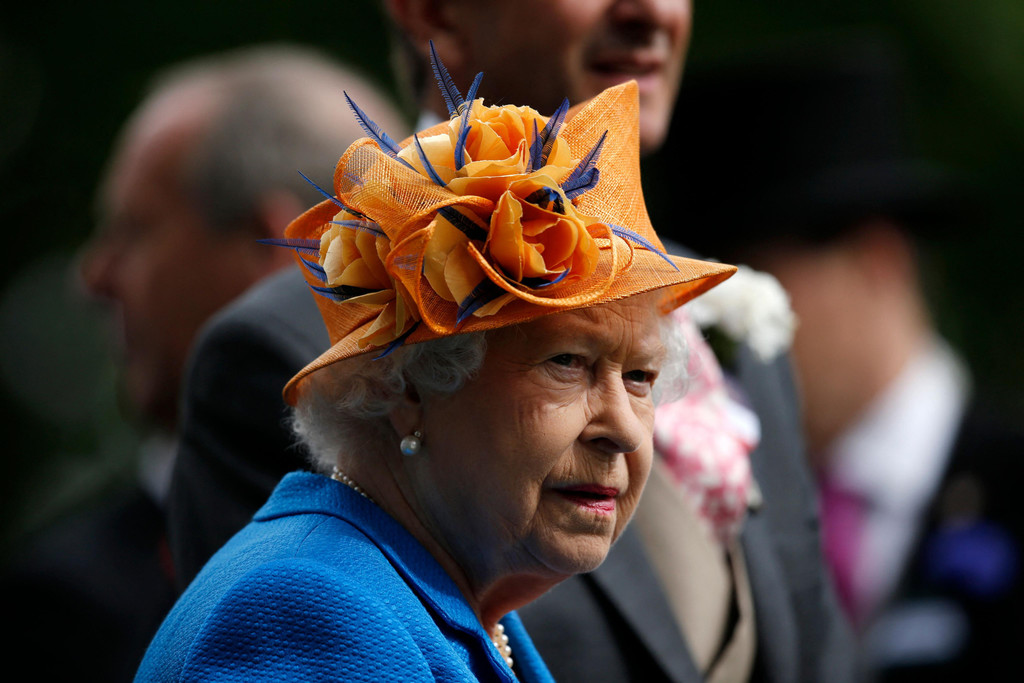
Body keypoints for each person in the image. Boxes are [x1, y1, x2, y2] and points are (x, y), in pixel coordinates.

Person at [171, 2, 856, 681]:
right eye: (568, 363)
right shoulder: (313, 611)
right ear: (401, 386)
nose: (623, 428)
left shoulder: (479, 610)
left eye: (641, 378)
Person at [0, 46, 403, 683]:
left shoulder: (524, 559)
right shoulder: (55, 612)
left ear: (282, 250)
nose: (91, 277)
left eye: (133, 230)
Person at [661, 38, 1024, 680]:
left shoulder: (1013, 484)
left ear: (878, 258)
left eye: (757, 286)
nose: (718, 335)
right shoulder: (723, 508)